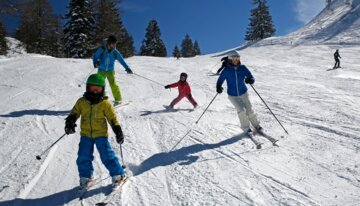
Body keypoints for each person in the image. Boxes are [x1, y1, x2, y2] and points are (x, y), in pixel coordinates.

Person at [65, 74, 126, 189]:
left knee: (107, 155)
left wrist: (118, 131)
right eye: (93, 88)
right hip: (86, 135)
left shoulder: (105, 104)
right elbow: (74, 113)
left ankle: (118, 174)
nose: (95, 92)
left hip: (101, 135)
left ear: (103, 90)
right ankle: (86, 177)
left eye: (98, 89)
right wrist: (70, 122)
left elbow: (112, 118)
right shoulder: (82, 102)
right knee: (83, 156)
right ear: (88, 88)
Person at [216, 50, 262, 136]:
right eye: (234, 58)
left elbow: (251, 77)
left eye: (237, 58)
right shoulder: (226, 70)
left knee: (249, 110)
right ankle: (245, 127)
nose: (236, 60)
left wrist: (250, 80)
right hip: (232, 95)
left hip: (243, 93)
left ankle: (256, 125)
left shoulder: (243, 68)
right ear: (230, 59)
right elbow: (220, 80)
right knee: (241, 110)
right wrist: (218, 87)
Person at [93, 35, 133, 107]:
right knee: (100, 85)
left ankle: (118, 99)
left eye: (115, 43)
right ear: (109, 43)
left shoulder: (115, 52)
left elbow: (121, 60)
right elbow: (95, 56)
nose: (114, 45)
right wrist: (95, 62)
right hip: (101, 70)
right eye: (113, 43)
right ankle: (102, 99)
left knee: (113, 84)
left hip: (110, 71)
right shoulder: (102, 49)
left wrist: (127, 68)